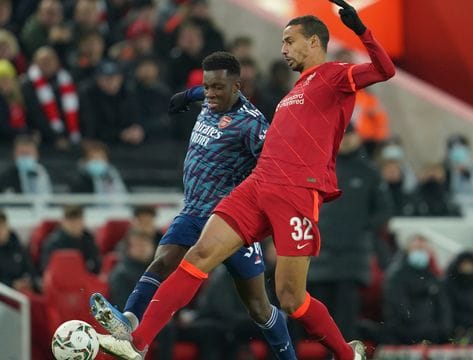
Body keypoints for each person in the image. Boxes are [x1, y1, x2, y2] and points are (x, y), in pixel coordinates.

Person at [96, 3, 395, 359]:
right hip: (257, 185)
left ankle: (347, 354)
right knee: (199, 254)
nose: (283, 49)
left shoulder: (334, 76)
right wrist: (194, 94)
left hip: (297, 192)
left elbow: (384, 69)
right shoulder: (295, 90)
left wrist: (362, 30)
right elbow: (228, 97)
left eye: (289, 41)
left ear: (314, 42)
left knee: (290, 298)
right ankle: (137, 343)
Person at [91, 51, 297, 360]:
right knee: (161, 262)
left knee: (259, 308)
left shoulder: (251, 125)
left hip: (230, 221)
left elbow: (276, 165)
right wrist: (188, 94)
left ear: (237, 87)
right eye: (207, 86)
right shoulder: (211, 97)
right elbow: (206, 90)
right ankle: (129, 321)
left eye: (217, 88)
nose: (210, 94)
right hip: (192, 210)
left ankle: (288, 356)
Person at [307, 124, 393, 341]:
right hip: (320, 256)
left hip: (352, 259)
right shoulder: (320, 166)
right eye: (341, 135)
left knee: (346, 322)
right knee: (319, 322)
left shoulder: (369, 171)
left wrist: (362, 227)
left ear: (358, 138)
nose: (345, 140)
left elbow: (384, 209)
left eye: (349, 135)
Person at [381, 235, 452, 344]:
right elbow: (399, 309)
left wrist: (443, 329)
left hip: (432, 332)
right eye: (417, 248)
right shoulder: (396, 276)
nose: (421, 252)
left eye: (424, 249)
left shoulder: (432, 277)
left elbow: (443, 308)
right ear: (408, 250)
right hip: (403, 333)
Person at [40, 205, 101, 274]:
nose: (75, 225)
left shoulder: (88, 239)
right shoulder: (54, 242)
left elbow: (96, 263)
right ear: (63, 222)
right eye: (71, 222)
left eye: (78, 221)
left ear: (83, 221)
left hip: (85, 278)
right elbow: (46, 268)